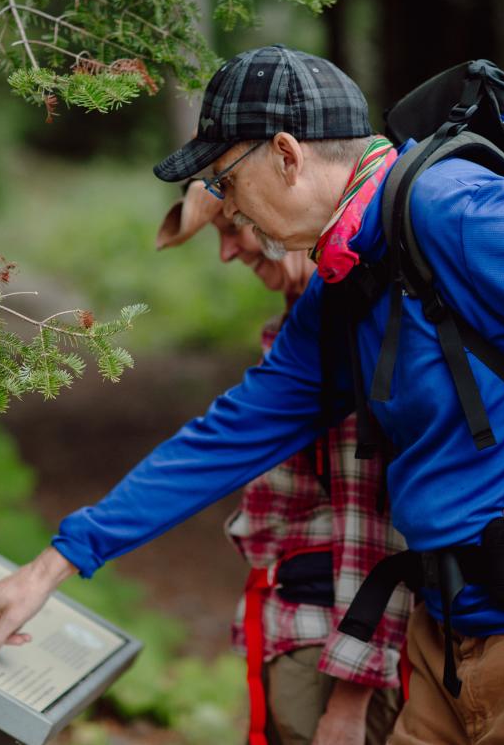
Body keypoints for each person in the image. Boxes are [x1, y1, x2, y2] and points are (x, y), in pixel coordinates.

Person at [0, 45, 504, 744]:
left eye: (223, 180)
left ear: (285, 154)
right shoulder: (351, 276)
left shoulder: (450, 211)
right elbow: (229, 435)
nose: (224, 207)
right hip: (448, 642)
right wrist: (54, 565)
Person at [156, 182, 411, 745]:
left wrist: (351, 699)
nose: (227, 252)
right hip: (298, 628)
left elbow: (379, 524)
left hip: (330, 648)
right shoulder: (306, 324)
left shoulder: (347, 332)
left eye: (232, 226)